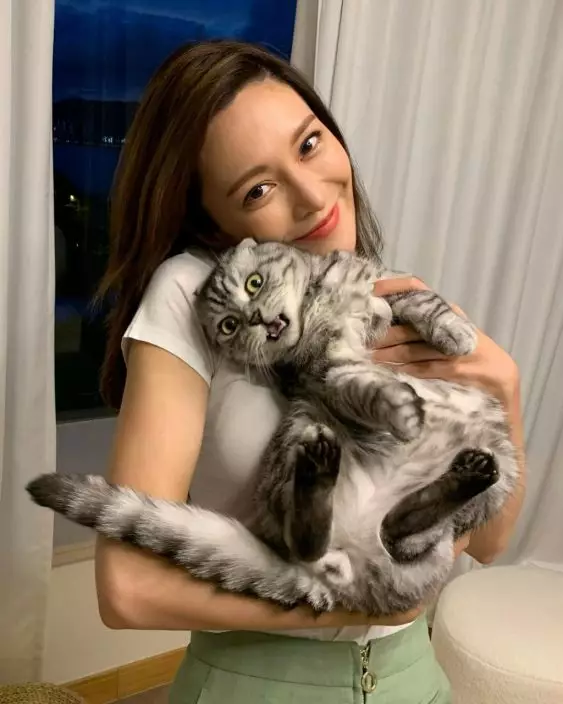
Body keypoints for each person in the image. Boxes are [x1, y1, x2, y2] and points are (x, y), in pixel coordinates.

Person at [94, 39, 526, 703]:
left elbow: (488, 542)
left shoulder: (384, 298)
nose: (309, 195)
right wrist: (349, 601)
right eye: (257, 189)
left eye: (309, 143)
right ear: (214, 222)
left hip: (414, 678)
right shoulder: (195, 295)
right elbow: (127, 586)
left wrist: (505, 389)